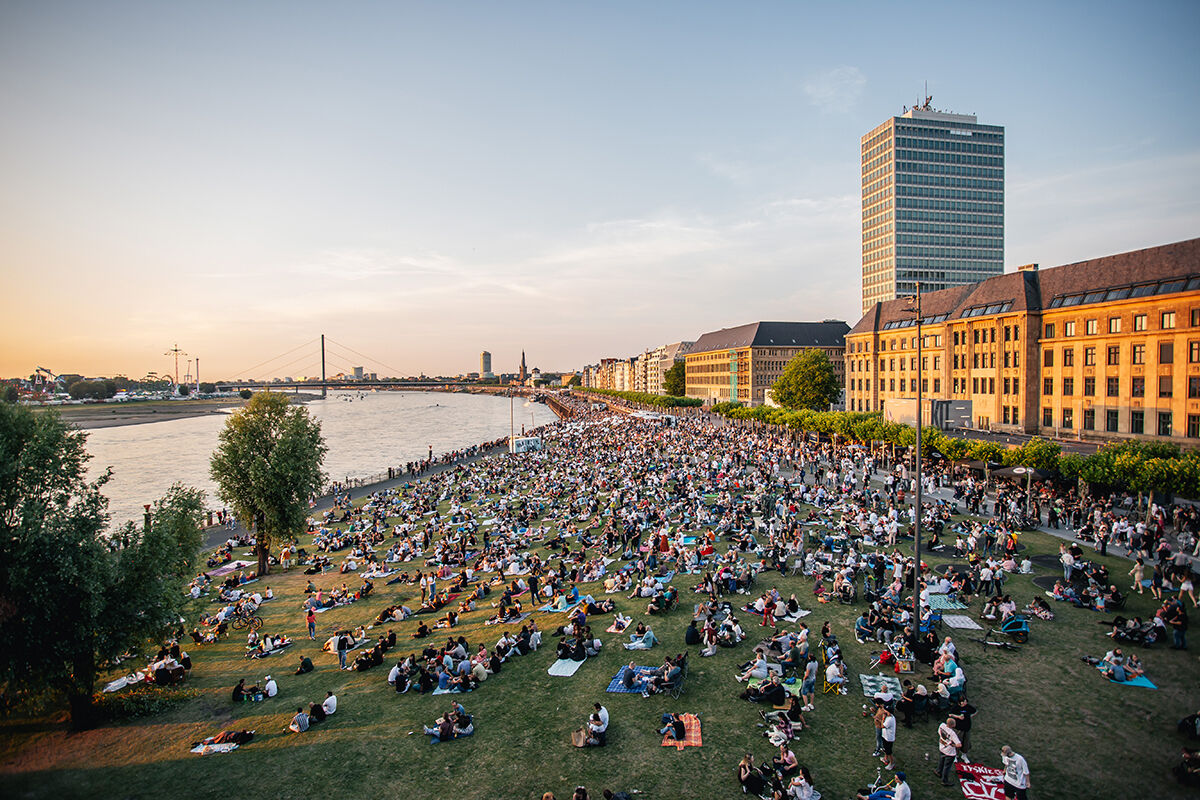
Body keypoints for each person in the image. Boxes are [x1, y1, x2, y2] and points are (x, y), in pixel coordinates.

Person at [936, 717, 961, 786]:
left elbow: (939, 733)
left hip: (942, 747)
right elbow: (959, 745)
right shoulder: (952, 734)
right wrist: (953, 745)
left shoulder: (942, 725)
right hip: (949, 752)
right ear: (953, 725)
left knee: (941, 760)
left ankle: (938, 771)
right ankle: (944, 780)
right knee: (947, 766)